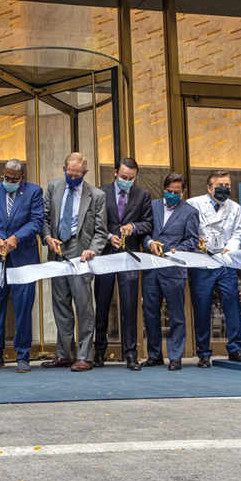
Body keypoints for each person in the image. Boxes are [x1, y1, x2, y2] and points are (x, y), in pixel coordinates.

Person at [0, 159, 43, 373]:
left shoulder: (34, 192)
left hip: (24, 260)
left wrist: (16, 238)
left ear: (22, 177)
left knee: (23, 308)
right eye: (6, 177)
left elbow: (37, 222)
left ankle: (23, 356)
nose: (9, 181)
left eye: (14, 179)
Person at [40, 152, 107, 372]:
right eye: (70, 173)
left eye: (77, 174)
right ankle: (64, 355)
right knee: (60, 306)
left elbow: (101, 232)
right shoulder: (54, 187)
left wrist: (92, 250)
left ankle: (85, 356)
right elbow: (46, 217)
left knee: (84, 307)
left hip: (81, 257)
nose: (73, 177)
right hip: (57, 253)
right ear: (64, 169)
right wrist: (47, 237)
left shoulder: (96, 195)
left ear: (85, 173)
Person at [93, 158, 153, 371]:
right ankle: (99, 353)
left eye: (131, 178)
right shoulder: (100, 192)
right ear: (115, 172)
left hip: (129, 256)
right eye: (124, 177)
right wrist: (109, 236)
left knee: (129, 306)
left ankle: (131, 355)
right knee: (102, 304)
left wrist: (132, 227)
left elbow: (148, 223)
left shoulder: (143, 195)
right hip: (106, 255)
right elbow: (94, 223)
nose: (127, 181)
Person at [187, 170, 241, 367]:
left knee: (231, 303)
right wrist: (194, 241)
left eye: (227, 186)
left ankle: (235, 349)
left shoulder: (235, 208)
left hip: (225, 262)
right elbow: (187, 230)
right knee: (202, 307)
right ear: (209, 188)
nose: (224, 190)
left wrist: (229, 250)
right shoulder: (193, 204)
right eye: (220, 186)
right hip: (202, 262)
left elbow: (237, 233)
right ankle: (204, 353)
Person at [141, 172, 200, 371]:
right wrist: (149, 243)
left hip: (174, 268)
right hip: (151, 267)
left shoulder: (190, 212)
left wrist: (178, 249)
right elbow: (144, 232)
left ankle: (175, 356)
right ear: (164, 189)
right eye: (169, 191)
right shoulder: (152, 206)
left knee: (176, 314)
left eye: (176, 192)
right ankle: (154, 355)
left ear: (183, 192)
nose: (172, 194)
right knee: (150, 312)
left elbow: (192, 239)